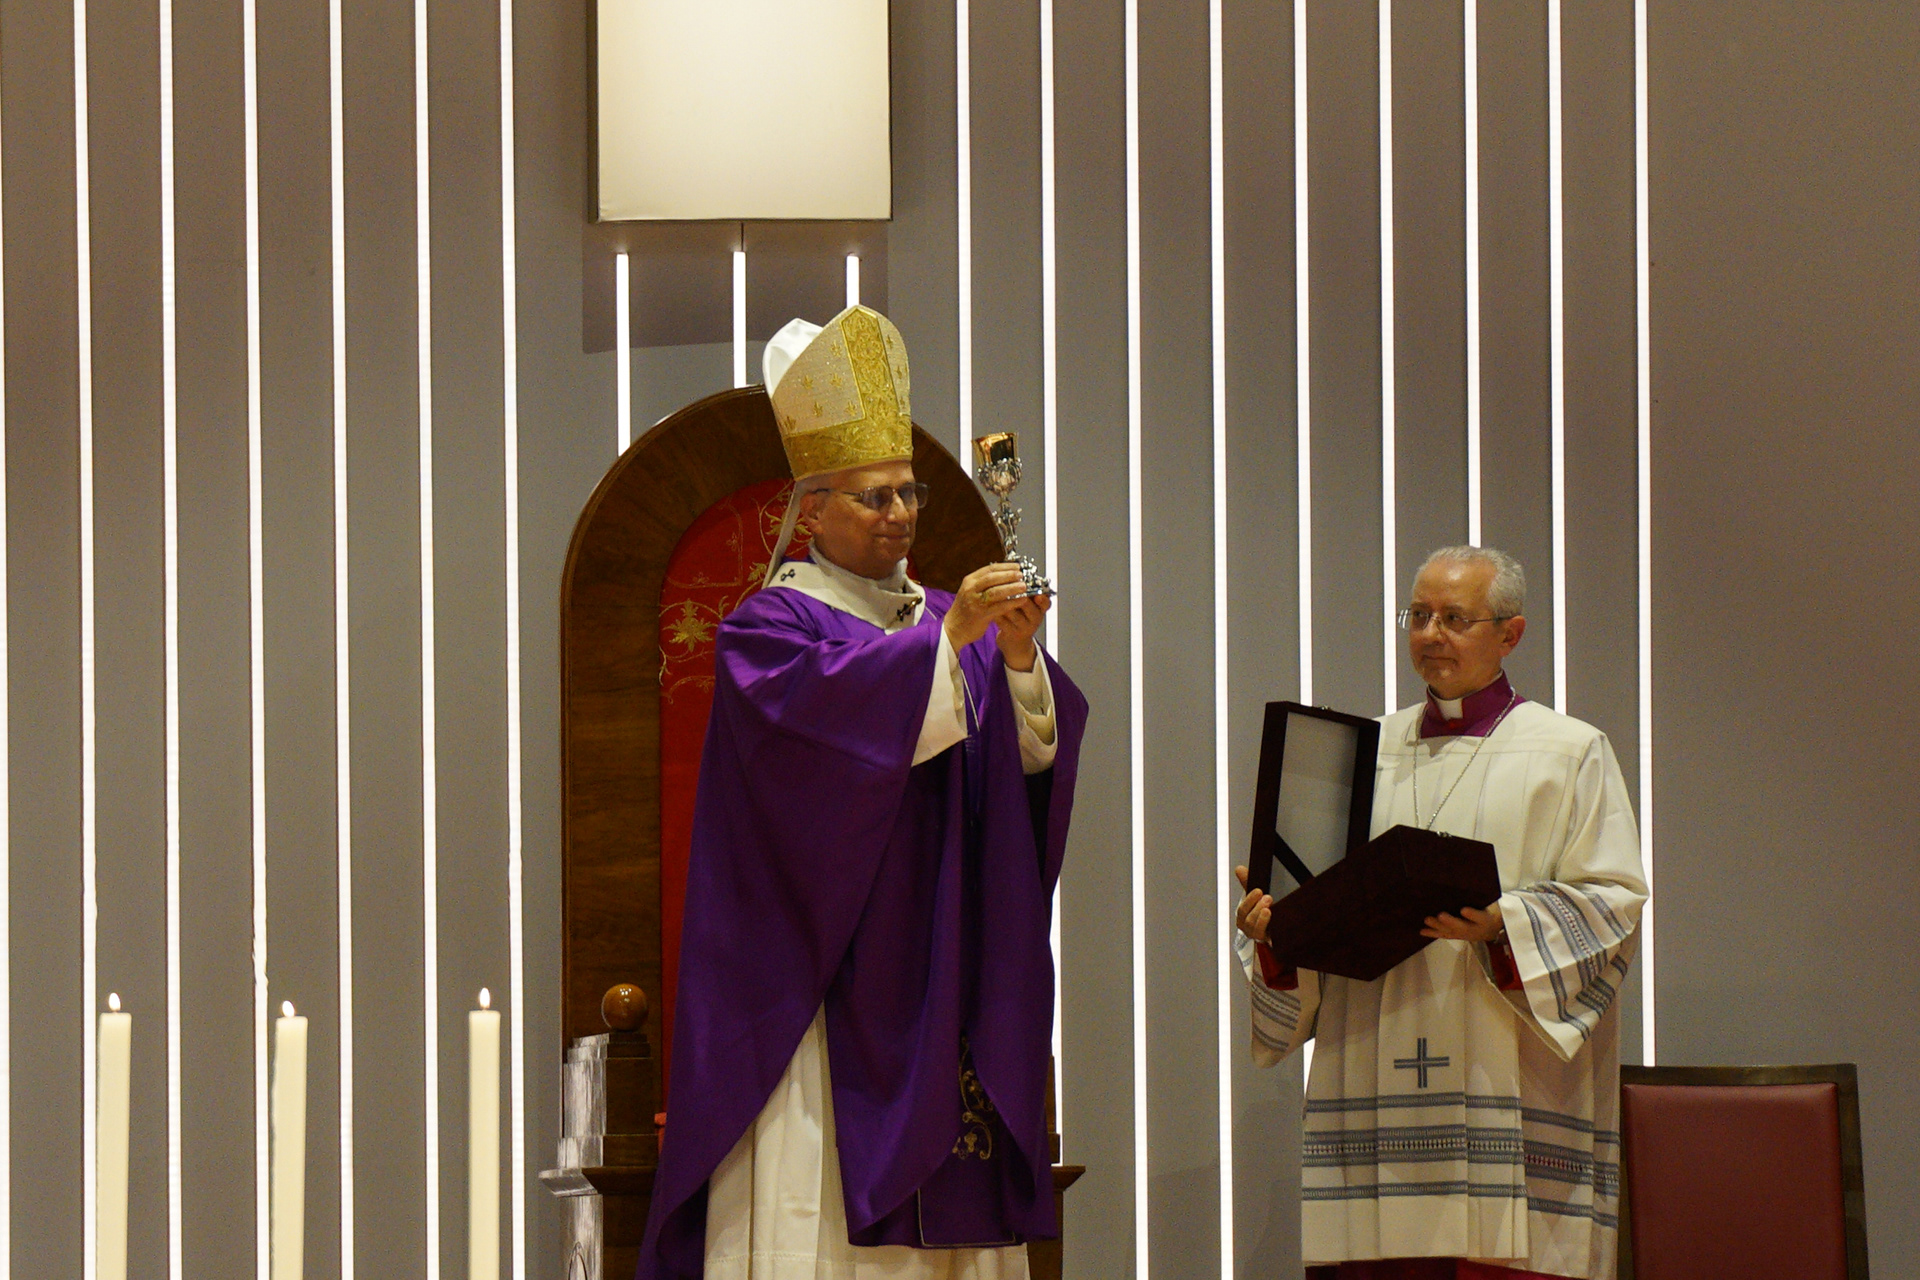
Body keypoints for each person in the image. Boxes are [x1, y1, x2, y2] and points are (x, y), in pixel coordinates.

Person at [638, 305, 1089, 1280]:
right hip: (822, 991)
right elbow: (823, 769)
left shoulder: (942, 617)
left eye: (909, 493)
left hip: (944, 980)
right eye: (873, 498)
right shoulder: (769, 632)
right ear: (812, 510)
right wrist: (950, 644)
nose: (900, 516)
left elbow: (1012, 789)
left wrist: (1017, 664)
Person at [1234, 546, 1647, 1280]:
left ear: (1510, 634)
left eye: (1455, 618)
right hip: (1372, 1085)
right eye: (1419, 615)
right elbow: (1315, 905)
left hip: (1505, 1088)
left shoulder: (1568, 752)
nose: (1431, 633)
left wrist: (1505, 927)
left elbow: (1612, 899)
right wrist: (1280, 930)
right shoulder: (1357, 755)